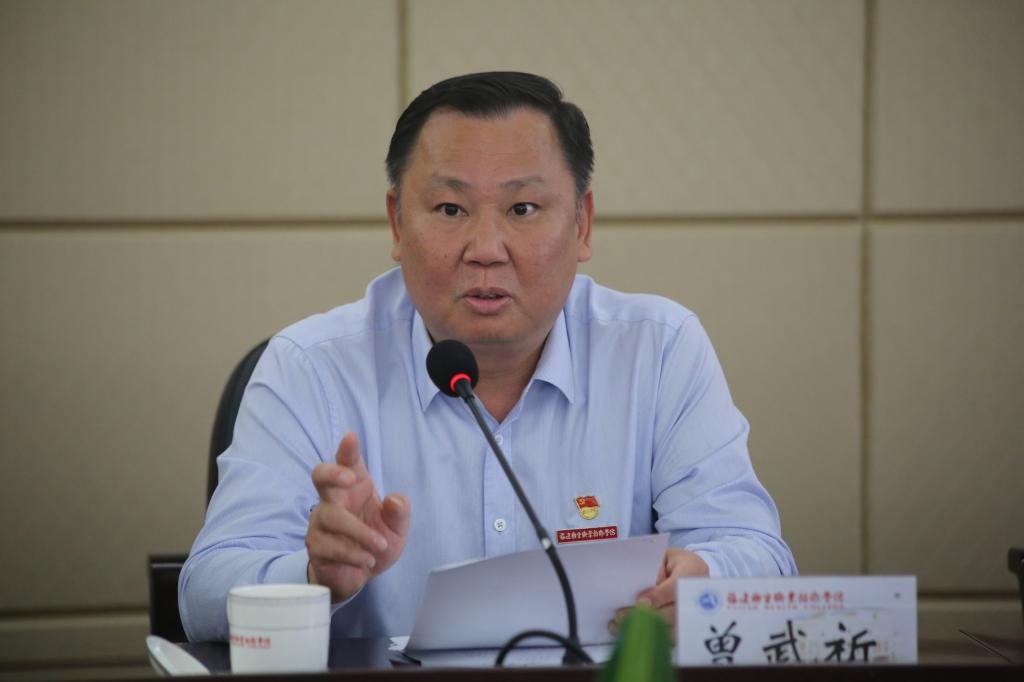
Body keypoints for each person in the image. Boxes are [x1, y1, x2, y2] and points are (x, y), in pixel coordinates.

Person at [179, 71, 797, 643]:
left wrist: (705, 579)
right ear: (397, 224)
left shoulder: (658, 351)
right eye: (451, 210)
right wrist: (314, 576)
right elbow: (203, 594)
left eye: (522, 209)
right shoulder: (310, 367)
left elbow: (760, 555)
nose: (486, 248)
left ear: (582, 224)